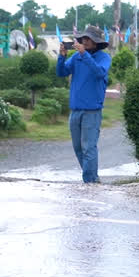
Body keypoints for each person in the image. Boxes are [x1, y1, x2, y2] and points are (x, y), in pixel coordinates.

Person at [56, 25, 111, 184]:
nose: (85, 41)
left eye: (88, 39)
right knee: (78, 148)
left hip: (92, 111)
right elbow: (61, 72)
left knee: (88, 147)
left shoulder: (103, 58)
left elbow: (99, 72)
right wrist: (62, 56)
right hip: (75, 110)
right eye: (83, 38)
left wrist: (84, 54)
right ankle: (92, 178)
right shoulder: (76, 57)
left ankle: (90, 181)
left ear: (96, 42)